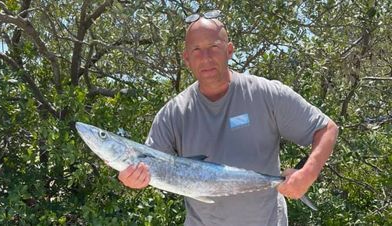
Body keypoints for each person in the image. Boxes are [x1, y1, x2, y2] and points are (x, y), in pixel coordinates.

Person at [118, 10, 338, 226]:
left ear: (229, 50)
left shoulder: (266, 94)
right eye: (196, 50)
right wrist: (135, 180)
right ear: (186, 58)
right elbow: (153, 169)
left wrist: (307, 175)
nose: (206, 58)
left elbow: (326, 129)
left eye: (214, 47)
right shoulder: (173, 113)